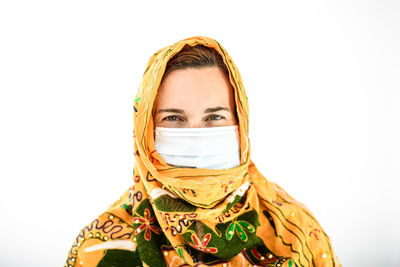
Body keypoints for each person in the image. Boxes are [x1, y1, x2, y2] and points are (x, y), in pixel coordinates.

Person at [65, 36, 340, 267]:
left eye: (214, 117)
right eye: (173, 118)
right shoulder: (99, 246)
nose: (196, 135)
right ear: (145, 132)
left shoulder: (297, 233)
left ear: (240, 123)